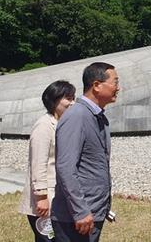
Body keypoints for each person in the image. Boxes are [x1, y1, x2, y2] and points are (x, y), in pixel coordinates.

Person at [51, 62, 120, 242]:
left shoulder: (99, 117)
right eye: (115, 82)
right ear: (97, 85)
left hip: (91, 213)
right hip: (75, 218)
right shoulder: (76, 116)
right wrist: (80, 210)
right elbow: (66, 168)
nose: (118, 88)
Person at [19, 80, 76, 242]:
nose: (72, 103)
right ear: (54, 100)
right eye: (68, 99)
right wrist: (41, 197)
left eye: (73, 98)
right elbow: (38, 163)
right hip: (44, 200)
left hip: (57, 198)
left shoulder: (61, 123)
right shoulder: (44, 125)